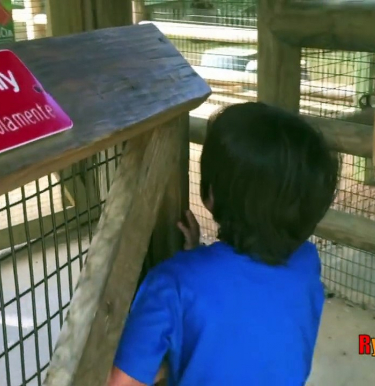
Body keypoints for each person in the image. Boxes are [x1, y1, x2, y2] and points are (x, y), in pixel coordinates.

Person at [107, 102, 339, 386]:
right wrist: (198, 258)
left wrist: (168, 360)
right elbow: (245, 319)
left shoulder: (172, 284)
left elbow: (121, 383)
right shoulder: (306, 262)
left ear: (211, 192)